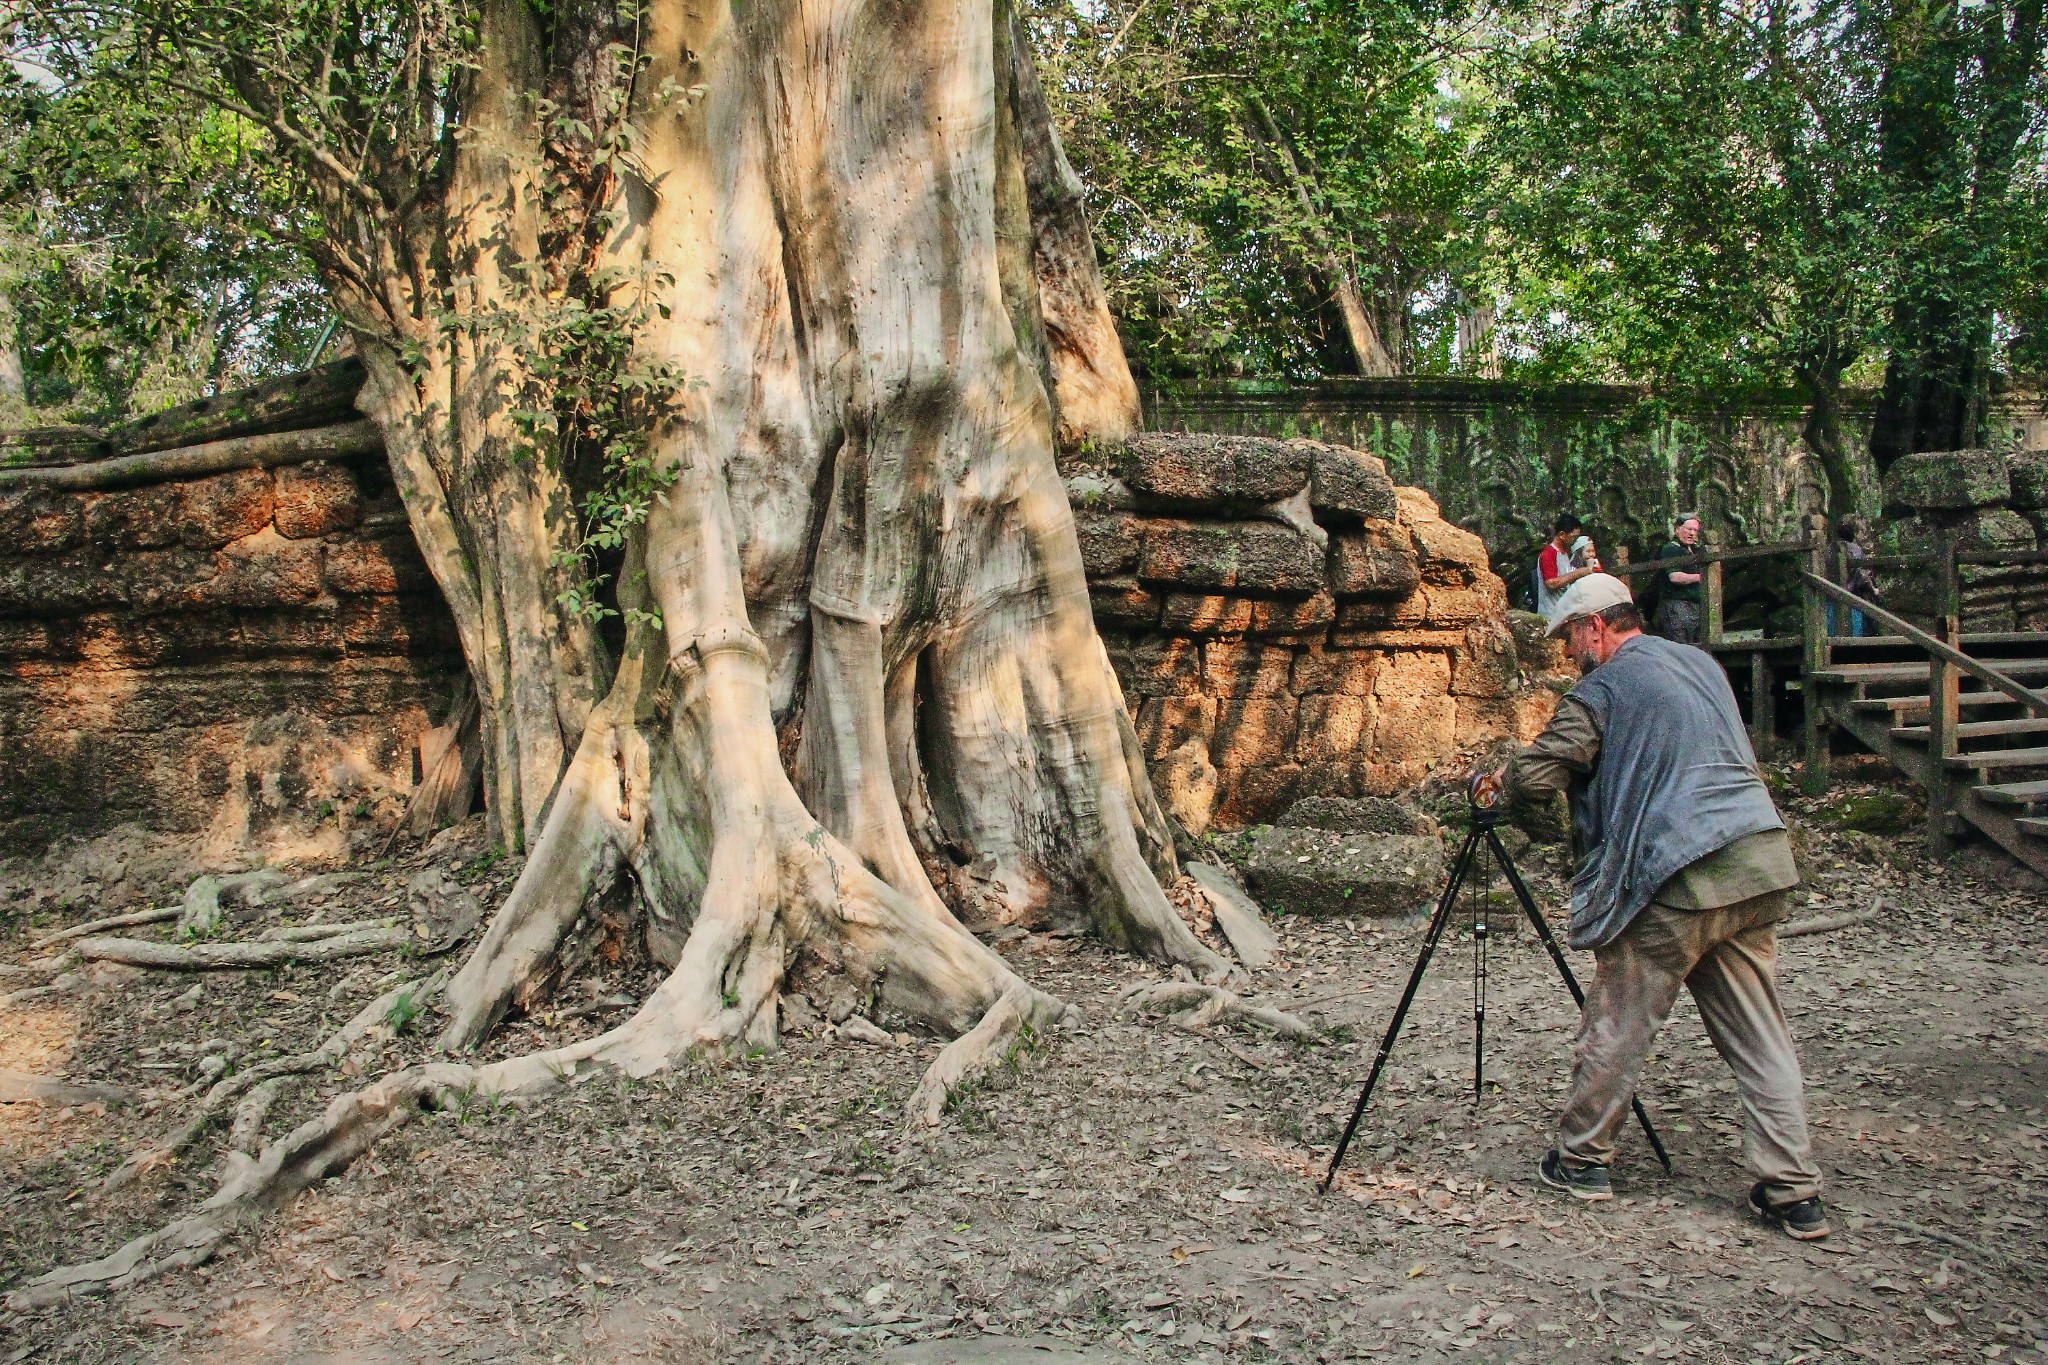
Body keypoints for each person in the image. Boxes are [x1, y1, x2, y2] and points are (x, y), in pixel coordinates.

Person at [1503, 572, 1828, 1240]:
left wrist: (1503, 780)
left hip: (1676, 869)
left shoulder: (1603, 687)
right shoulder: (1700, 664)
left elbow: (1539, 772)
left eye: (1569, 637)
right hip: (1757, 854)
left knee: (1619, 1016)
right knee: (1760, 1030)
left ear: (1595, 626)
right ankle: (1793, 1189)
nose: (1568, 653)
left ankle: (1582, 1157)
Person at [1534, 514, 1597, 617]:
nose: (1575, 541)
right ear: (1562, 535)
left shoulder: (1564, 554)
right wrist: (1578, 573)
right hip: (1551, 613)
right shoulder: (1549, 554)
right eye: (1574, 537)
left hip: (1564, 611)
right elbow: (1551, 583)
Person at [1827, 516, 1879, 638]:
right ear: (1852, 533)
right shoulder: (1856, 549)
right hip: (1852, 598)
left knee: (1833, 629)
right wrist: (1873, 589)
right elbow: (1862, 574)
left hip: (1830, 595)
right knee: (1854, 632)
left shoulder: (1828, 549)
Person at [1657, 514, 1705, 644]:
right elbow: (1675, 576)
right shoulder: (1671, 549)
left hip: (1696, 605)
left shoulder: (1696, 551)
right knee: (1681, 646)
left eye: (1695, 530)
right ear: (1677, 529)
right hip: (1677, 605)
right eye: (1688, 529)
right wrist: (1701, 577)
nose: (1692, 533)